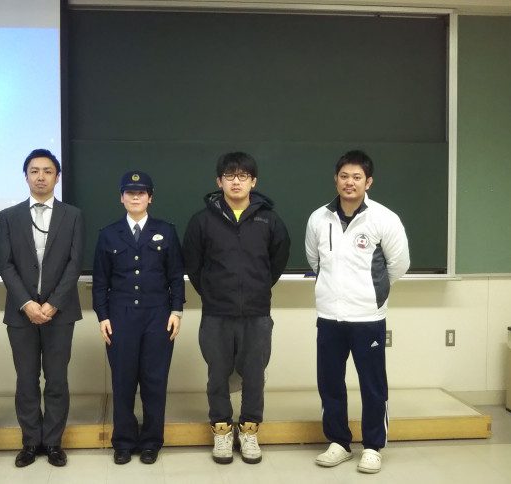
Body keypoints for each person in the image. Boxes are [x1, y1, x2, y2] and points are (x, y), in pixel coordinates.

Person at [305, 150, 410, 474]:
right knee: (330, 383)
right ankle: (338, 442)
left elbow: (398, 265)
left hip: (368, 319)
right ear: (335, 179)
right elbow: (314, 261)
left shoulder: (384, 218)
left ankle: (373, 447)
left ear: (368, 182)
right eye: (344, 176)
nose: (349, 182)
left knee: (372, 385)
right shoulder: (319, 218)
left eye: (357, 177)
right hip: (329, 316)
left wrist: (371, 294)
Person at [182, 152, 290, 465]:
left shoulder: (269, 220)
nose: (236, 182)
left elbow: (277, 260)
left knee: (254, 374)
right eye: (230, 176)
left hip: (256, 313)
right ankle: (221, 430)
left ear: (253, 181)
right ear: (219, 181)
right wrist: (213, 293)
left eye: (243, 176)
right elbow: (193, 264)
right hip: (216, 313)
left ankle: (250, 430)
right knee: (217, 374)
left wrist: (257, 288)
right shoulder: (202, 221)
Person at [92, 171, 186, 465]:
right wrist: (103, 316)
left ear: (150, 197)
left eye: (141, 192)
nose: (135, 197)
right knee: (123, 382)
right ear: (121, 197)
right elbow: (100, 281)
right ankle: (123, 442)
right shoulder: (109, 234)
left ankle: (151, 442)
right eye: (130, 193)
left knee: (154, 381)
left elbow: (176, 276)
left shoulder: (166, 231)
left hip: (158, 317)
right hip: (120, 317)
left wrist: (176, 311)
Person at [0, 149, 84, 468]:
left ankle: (53, 442)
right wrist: (27, 303)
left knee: (57, 380)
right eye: (34, 171)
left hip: (60, 313)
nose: (41, 177)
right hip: (21, 313)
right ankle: (30, 442)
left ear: (57, 177)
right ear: (26, 176)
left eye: (47, 171)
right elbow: (6, 265)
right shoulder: (9, 216)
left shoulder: (73, 215)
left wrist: (52, 304)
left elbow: (75, 264)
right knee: (26, 380)